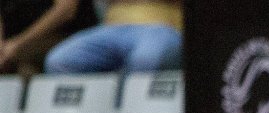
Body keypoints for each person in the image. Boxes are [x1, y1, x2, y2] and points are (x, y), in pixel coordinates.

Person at [43, 0, 182, 73]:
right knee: (60, 61)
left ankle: (132, 111)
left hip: (160, 26)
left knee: (146, 58)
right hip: (111, 27)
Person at [0, 0, 97, 76]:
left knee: (23, 62)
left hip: (69, 36)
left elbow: (66, 10)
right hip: (16, 42)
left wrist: (17, 44)